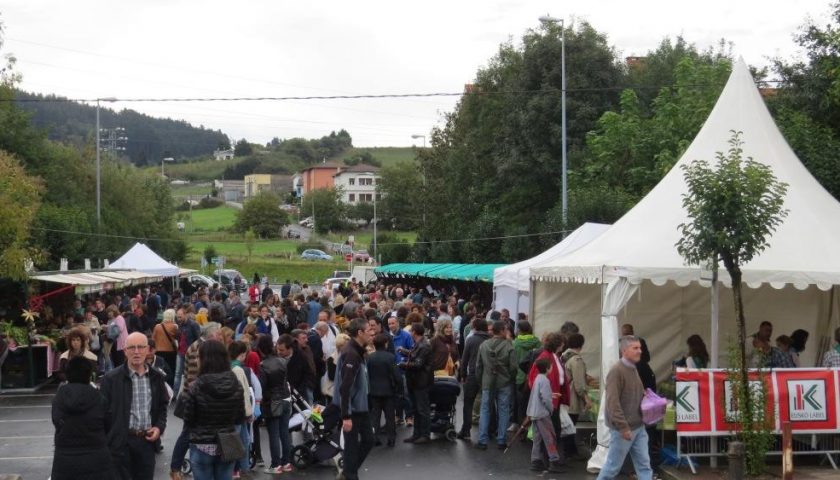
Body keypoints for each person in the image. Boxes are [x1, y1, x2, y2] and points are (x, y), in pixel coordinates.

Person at [101, 332, 168, 480]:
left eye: (141, 347)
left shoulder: (157, 377)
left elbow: (162, 407)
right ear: (125, 351)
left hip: (146, 442)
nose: (136, 352)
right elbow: (102, 414)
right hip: (120, 444)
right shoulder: (111, 379)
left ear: (148, 350)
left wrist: (159, 427)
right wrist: (110, 440)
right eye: (132, 347)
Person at [175, 340, 246, 480]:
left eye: (198, 356)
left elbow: (189, 420)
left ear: (205, 359)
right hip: (228, 443)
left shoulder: (196, 386)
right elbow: (239, 418)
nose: (196, 360)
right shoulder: (236, 385)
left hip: (202, 444)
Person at [596, 335, 653, 480]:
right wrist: (623, 427)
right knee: (612, 467)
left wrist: (646, 395)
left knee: (644, 466)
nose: (640, 351)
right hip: (624, 429)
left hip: (638, 426)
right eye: (635, 348)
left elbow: (632, 392)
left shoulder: (633, 368)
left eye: (640, 347)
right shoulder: (616, 371)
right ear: (624, 351)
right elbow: (612, 403)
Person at [51, 356, 113, 480]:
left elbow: (56, 421)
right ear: (89, 375)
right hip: (97, 458)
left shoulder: (59, 398)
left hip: (65, 459)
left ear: (67, 374)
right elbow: (108, 425)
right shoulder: (99, 398)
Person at [334, 318, 376, 480]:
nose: (372, 333)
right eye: (369, 330)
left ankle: (347, 472)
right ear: (360, 333)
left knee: (369, 440)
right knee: (351, 446)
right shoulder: (351, 354)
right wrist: (346, 416)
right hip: (353, 409)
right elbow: (345, 387)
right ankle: (350, 474)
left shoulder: (357, 351)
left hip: (361, 407)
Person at [475, 319, 517, 450]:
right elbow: (514, 367)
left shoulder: (484, 345)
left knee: (485, 410)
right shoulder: (509, 346)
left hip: (487, 382)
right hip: (504, 382)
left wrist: (481, 382)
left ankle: (482, 440)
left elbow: (478, 366)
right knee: (503, 411)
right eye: (506, 329)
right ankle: (501, 440)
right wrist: (510, 378)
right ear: (502, 331)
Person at [260, 334, 294, 474]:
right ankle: (286, 462)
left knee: (273, 434)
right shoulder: (282, 361)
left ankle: (276, 465)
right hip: (286, 398)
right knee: (284, 432)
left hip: (272, 401)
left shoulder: (263, 365)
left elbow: (262, 386)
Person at [527, 358, 565, 473]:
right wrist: (551, 409)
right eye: (551, 366)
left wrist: (551, 394)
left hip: (534, 413)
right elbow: (546, 399)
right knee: (550, 437)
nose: (552, 368)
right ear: (547, 368)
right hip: (542, 414)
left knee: (537, 438)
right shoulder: (545, 380)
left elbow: (539, 395)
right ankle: (553, 461)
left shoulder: (538, 378)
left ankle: (536, 461)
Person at [457, 317, 491, 440]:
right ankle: (490, 429)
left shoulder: (471, 340)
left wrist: (462, 375)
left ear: (475, 328)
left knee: (468, 403)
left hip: (473, 374)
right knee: (488, 404)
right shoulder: (490, 340)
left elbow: (464, 359)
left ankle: (466, 429)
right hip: (487, 375)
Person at [400, 323, 434, 444]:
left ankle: (425, 435)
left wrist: (403, 364)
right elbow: (415, 355)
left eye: (410, 331)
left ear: (414, 332)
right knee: (416, 409)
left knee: (422, 409)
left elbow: (418, 364)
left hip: (421, 382)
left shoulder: (424, 345)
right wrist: (405, 352)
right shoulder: (419, 343)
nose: (409, 333)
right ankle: (417, 434)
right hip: (415, 381)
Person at [367, 332, 400, 447]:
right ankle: (391, 438)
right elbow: (396, 375)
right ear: (385, 344)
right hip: (388, 391)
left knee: (375, 416)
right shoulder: (390, 357)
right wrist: (399, 387)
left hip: (374, 391)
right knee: (390, 416)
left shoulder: (370, 358)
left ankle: (375, 438)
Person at [512, 321, 542, 429]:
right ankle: (531, 426)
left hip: (519, 377)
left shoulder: (515, 343)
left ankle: (520, 426)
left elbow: (513, 361)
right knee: (533, 402)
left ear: (519, 330)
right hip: (534, 376)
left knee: (520, 403)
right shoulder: (537, 342)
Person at [152, 308, 179, 386]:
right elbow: (178, 338)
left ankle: (159, 386)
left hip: (158, 351)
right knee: (171, 371)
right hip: (170, 352)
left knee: (159, 370)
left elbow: (153, 339)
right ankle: (170, 387)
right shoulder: (174, 326)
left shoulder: (157, 326)